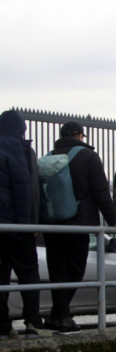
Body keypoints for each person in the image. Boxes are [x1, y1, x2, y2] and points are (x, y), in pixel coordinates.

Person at [42, 121, 116, 333]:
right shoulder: (88, 157)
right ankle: (60, 316)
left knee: (58, 271)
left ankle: (58, 316)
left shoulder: (50, 156)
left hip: (52, 224)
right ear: (80, 136)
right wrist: (115, 220)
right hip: (78, 224)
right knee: (75, 269)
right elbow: (101, 193)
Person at [0, 110, 48, 339]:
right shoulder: (19, 150)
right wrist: (26, 226)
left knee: (1, 277)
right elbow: (23, 190)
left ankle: (2, 325)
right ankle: (32, 322)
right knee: (29, 274)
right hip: (15, 226)